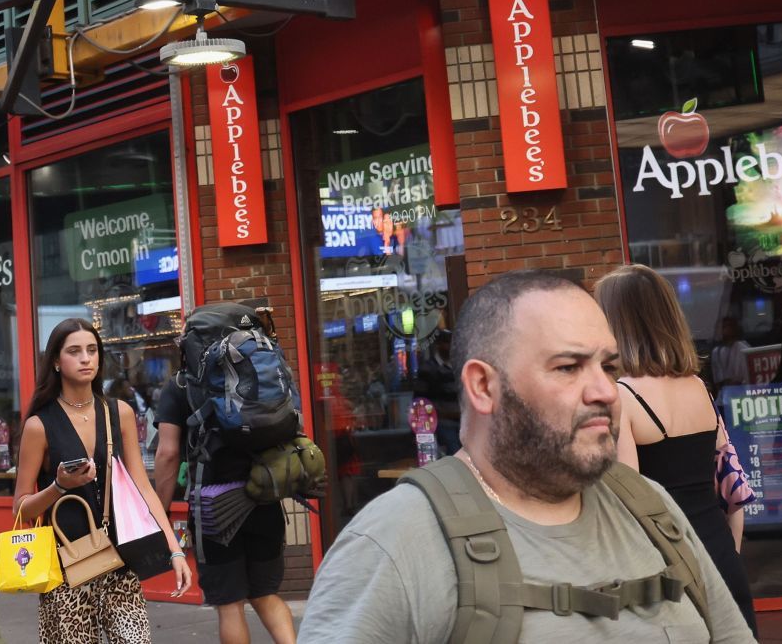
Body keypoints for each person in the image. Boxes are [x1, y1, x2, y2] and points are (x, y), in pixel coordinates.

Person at [300, 270, 757, 643]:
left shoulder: (652, 509)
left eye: (609, 367)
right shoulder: (391, 545)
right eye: (568, 367)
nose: (604, 390)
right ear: (483, 386)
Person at [594, 264, 759, 637]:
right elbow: (732, 486)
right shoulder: (698, 386)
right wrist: (728, 554)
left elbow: (629, 504)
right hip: (719, 555)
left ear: (616, 323)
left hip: (666, 566)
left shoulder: (622, 396)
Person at [13, 318, 191, 644]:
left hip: (119, 559)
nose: (86, 358)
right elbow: (21, 509)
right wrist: (59, 486)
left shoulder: (118, 412)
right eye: (74, 351)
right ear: (55, 361)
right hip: (66, 569)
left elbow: (143, 488)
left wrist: (174, 549)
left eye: (92, 350)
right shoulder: (40, 425)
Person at [152, 312, 293, 644]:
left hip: (214, 510)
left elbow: (168, 454)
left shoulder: (180, 386)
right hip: (264, 498)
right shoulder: (259, 374)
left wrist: (160, 508)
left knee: (229, 606)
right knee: (265, 595)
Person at [710, 318, 751, 387]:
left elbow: (748, 377)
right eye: (722, 327)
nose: (724, 330)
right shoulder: (716, 352)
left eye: (727, 326)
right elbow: (717, 380)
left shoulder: (744, 349)